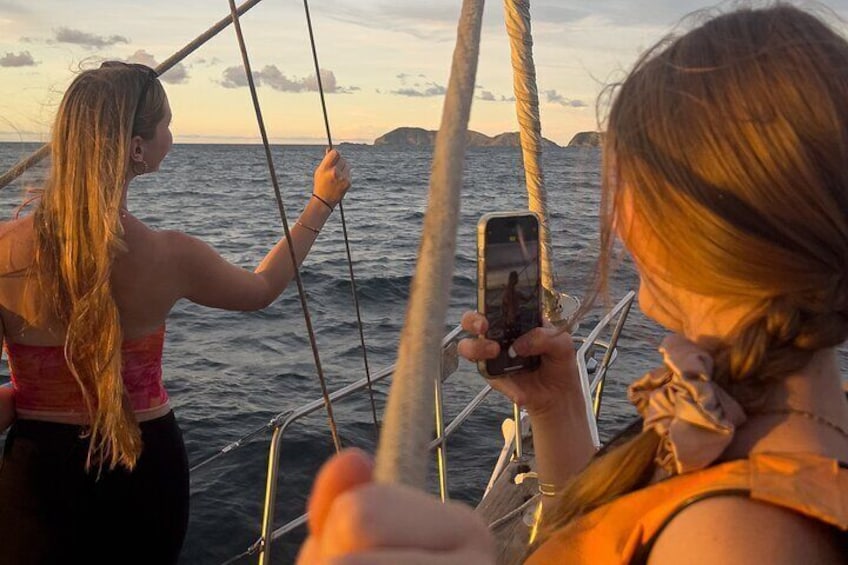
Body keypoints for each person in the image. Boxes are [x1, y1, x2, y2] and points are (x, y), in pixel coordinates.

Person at [297, 5, 848, 564]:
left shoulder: (735, 540)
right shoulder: (766, 423)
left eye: (625, 184)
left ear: (699, 217)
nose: (613, 217)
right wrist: (557, 408)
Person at [0, 61, 351, 564]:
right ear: (137, 147)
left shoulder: (2, 250)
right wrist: (321, 202)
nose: (173, 135)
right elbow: (261, 289)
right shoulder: (172, 256)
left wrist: (22, 398)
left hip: (37, 476)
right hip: (143, 471)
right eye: (166, 123)